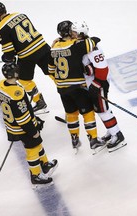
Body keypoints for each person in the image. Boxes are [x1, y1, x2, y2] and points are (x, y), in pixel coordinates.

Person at [0, 62, 58, 186]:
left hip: (12, 124)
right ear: (15, 73)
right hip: (22, 128)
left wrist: (34, 119)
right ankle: (35, 175)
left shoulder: (1, 85)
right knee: (32, 149)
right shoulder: (16, 93)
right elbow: (22, 117)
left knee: (38, 143)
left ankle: (45, 164)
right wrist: (33, 130)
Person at [48, 20, 105, 154]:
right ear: (69, 32)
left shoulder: (54, 47)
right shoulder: (76, 45)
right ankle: (93, 140)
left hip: (62, 89)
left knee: (71, 113)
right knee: (88, 112)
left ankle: (74, 139)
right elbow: (95, 40)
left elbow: (50, 70)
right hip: (78, 86)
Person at [71, 21, 127, 153]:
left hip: (99, 84)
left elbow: (102, 69)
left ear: (80, 33)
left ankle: (118, 136)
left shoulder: (93, 48)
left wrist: (96, 85)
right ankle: (111, 131)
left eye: (74, 32)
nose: (71, 34)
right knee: (101, 109)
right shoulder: (81, 44)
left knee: (102, 110)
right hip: (92, 83)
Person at [0, 2, 49, 114]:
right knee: (58, 74)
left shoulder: (1, 28)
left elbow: (9, 53)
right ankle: (77, 94)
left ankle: (40, 102)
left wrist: (7, 58)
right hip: (43, 47)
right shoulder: (20, 15)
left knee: (23, 79)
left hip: (27, 55)